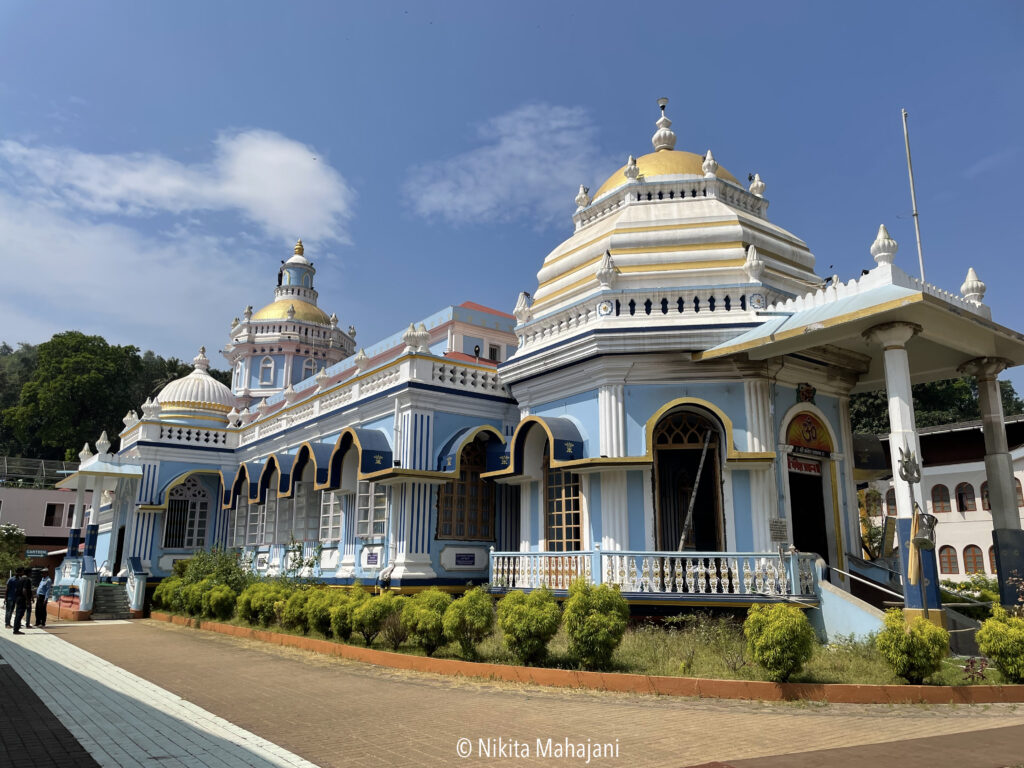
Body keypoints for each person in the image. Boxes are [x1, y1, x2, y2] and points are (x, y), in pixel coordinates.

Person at [11, 567, 32, 634]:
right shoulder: (27, 580)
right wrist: (27, 600)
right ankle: (16, 630)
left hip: (18, 598)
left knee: (18, 614)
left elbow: (16, 590)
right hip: (23, 599)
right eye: (30, 573)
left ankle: (16, 628)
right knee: (20, 614)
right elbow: (24, 590)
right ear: (28, 573)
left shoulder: (19, 579)